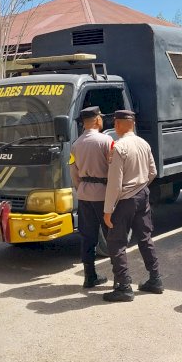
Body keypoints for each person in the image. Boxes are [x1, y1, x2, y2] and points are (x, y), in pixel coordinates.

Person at [103, 110, 162, 302]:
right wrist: (141, 184)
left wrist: (108, 210)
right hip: (142, 194)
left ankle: (124, 286)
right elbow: (153, 171)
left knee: (117, 242)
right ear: (133, 124)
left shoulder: (119, 147)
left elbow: (114, 182)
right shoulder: (143, 143)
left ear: (117, 124)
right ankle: (155, 279)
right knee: (145, 238)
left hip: (125, 199)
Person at [69, 106, 113, 288]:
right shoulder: (107, 141)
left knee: (88, 237)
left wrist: (83, 188)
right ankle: (119, 278)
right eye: (101, 117)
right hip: (104, 194)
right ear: (96, 120)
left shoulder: (75, 145)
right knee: (113, 236)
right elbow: (114, 169)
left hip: (85, 195)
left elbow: (74, 173)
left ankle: (90, 277)